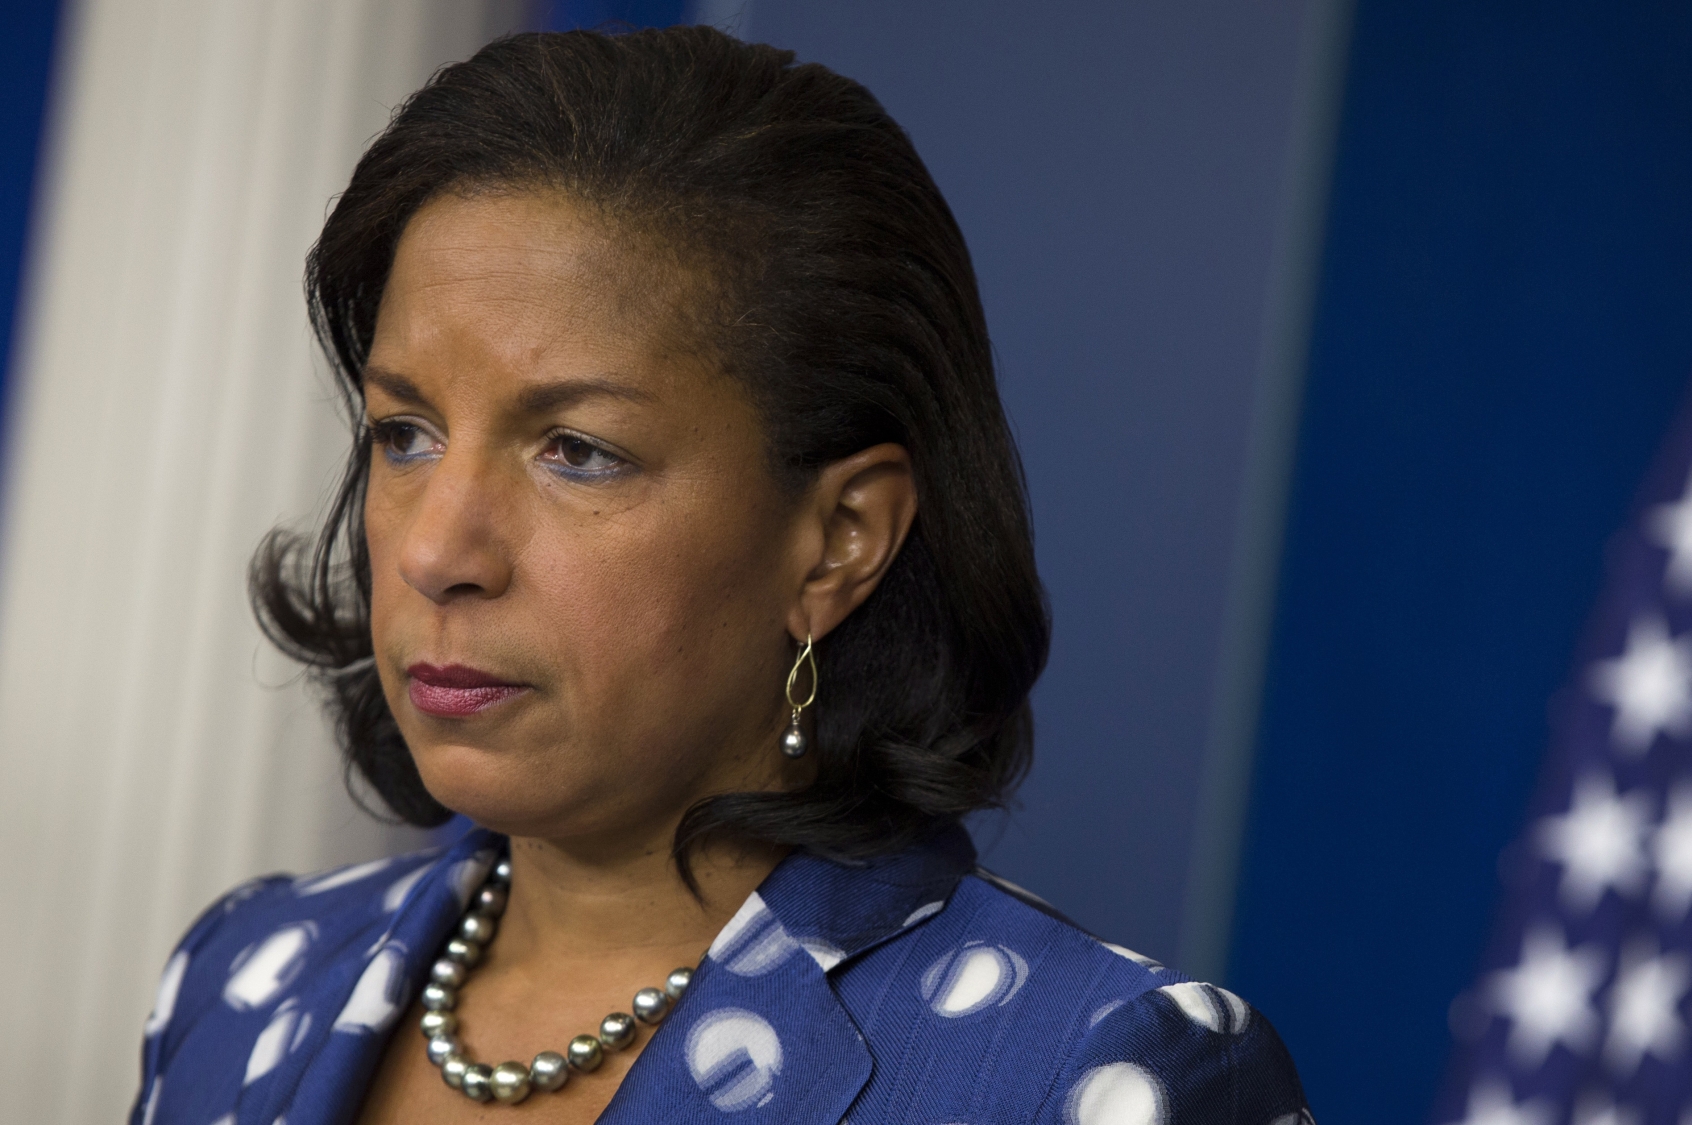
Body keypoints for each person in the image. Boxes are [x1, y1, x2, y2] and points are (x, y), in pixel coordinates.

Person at [132, 25, 1308, 1125]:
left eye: (576, 453)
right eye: (405, 434)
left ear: (839, 538)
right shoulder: (241, 980)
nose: (438, 550)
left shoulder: (1083, 1076)